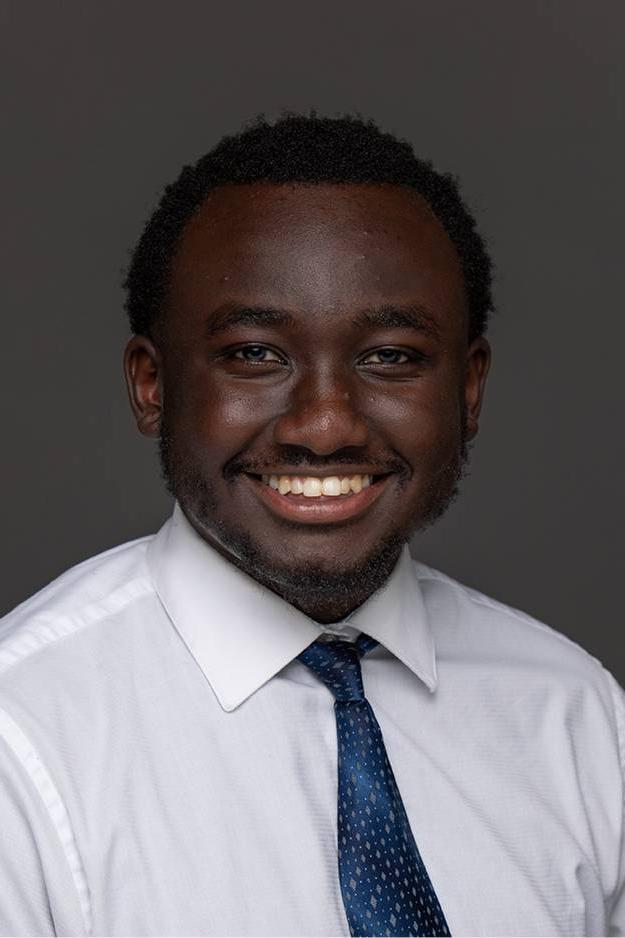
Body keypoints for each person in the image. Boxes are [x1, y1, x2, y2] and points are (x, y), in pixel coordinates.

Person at [0, 112, 623, 938]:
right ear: (151, 385)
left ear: (468, 390)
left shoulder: (577, 717)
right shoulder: (24, 740)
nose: (324, 425)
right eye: (254, 354)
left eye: (391, 356)